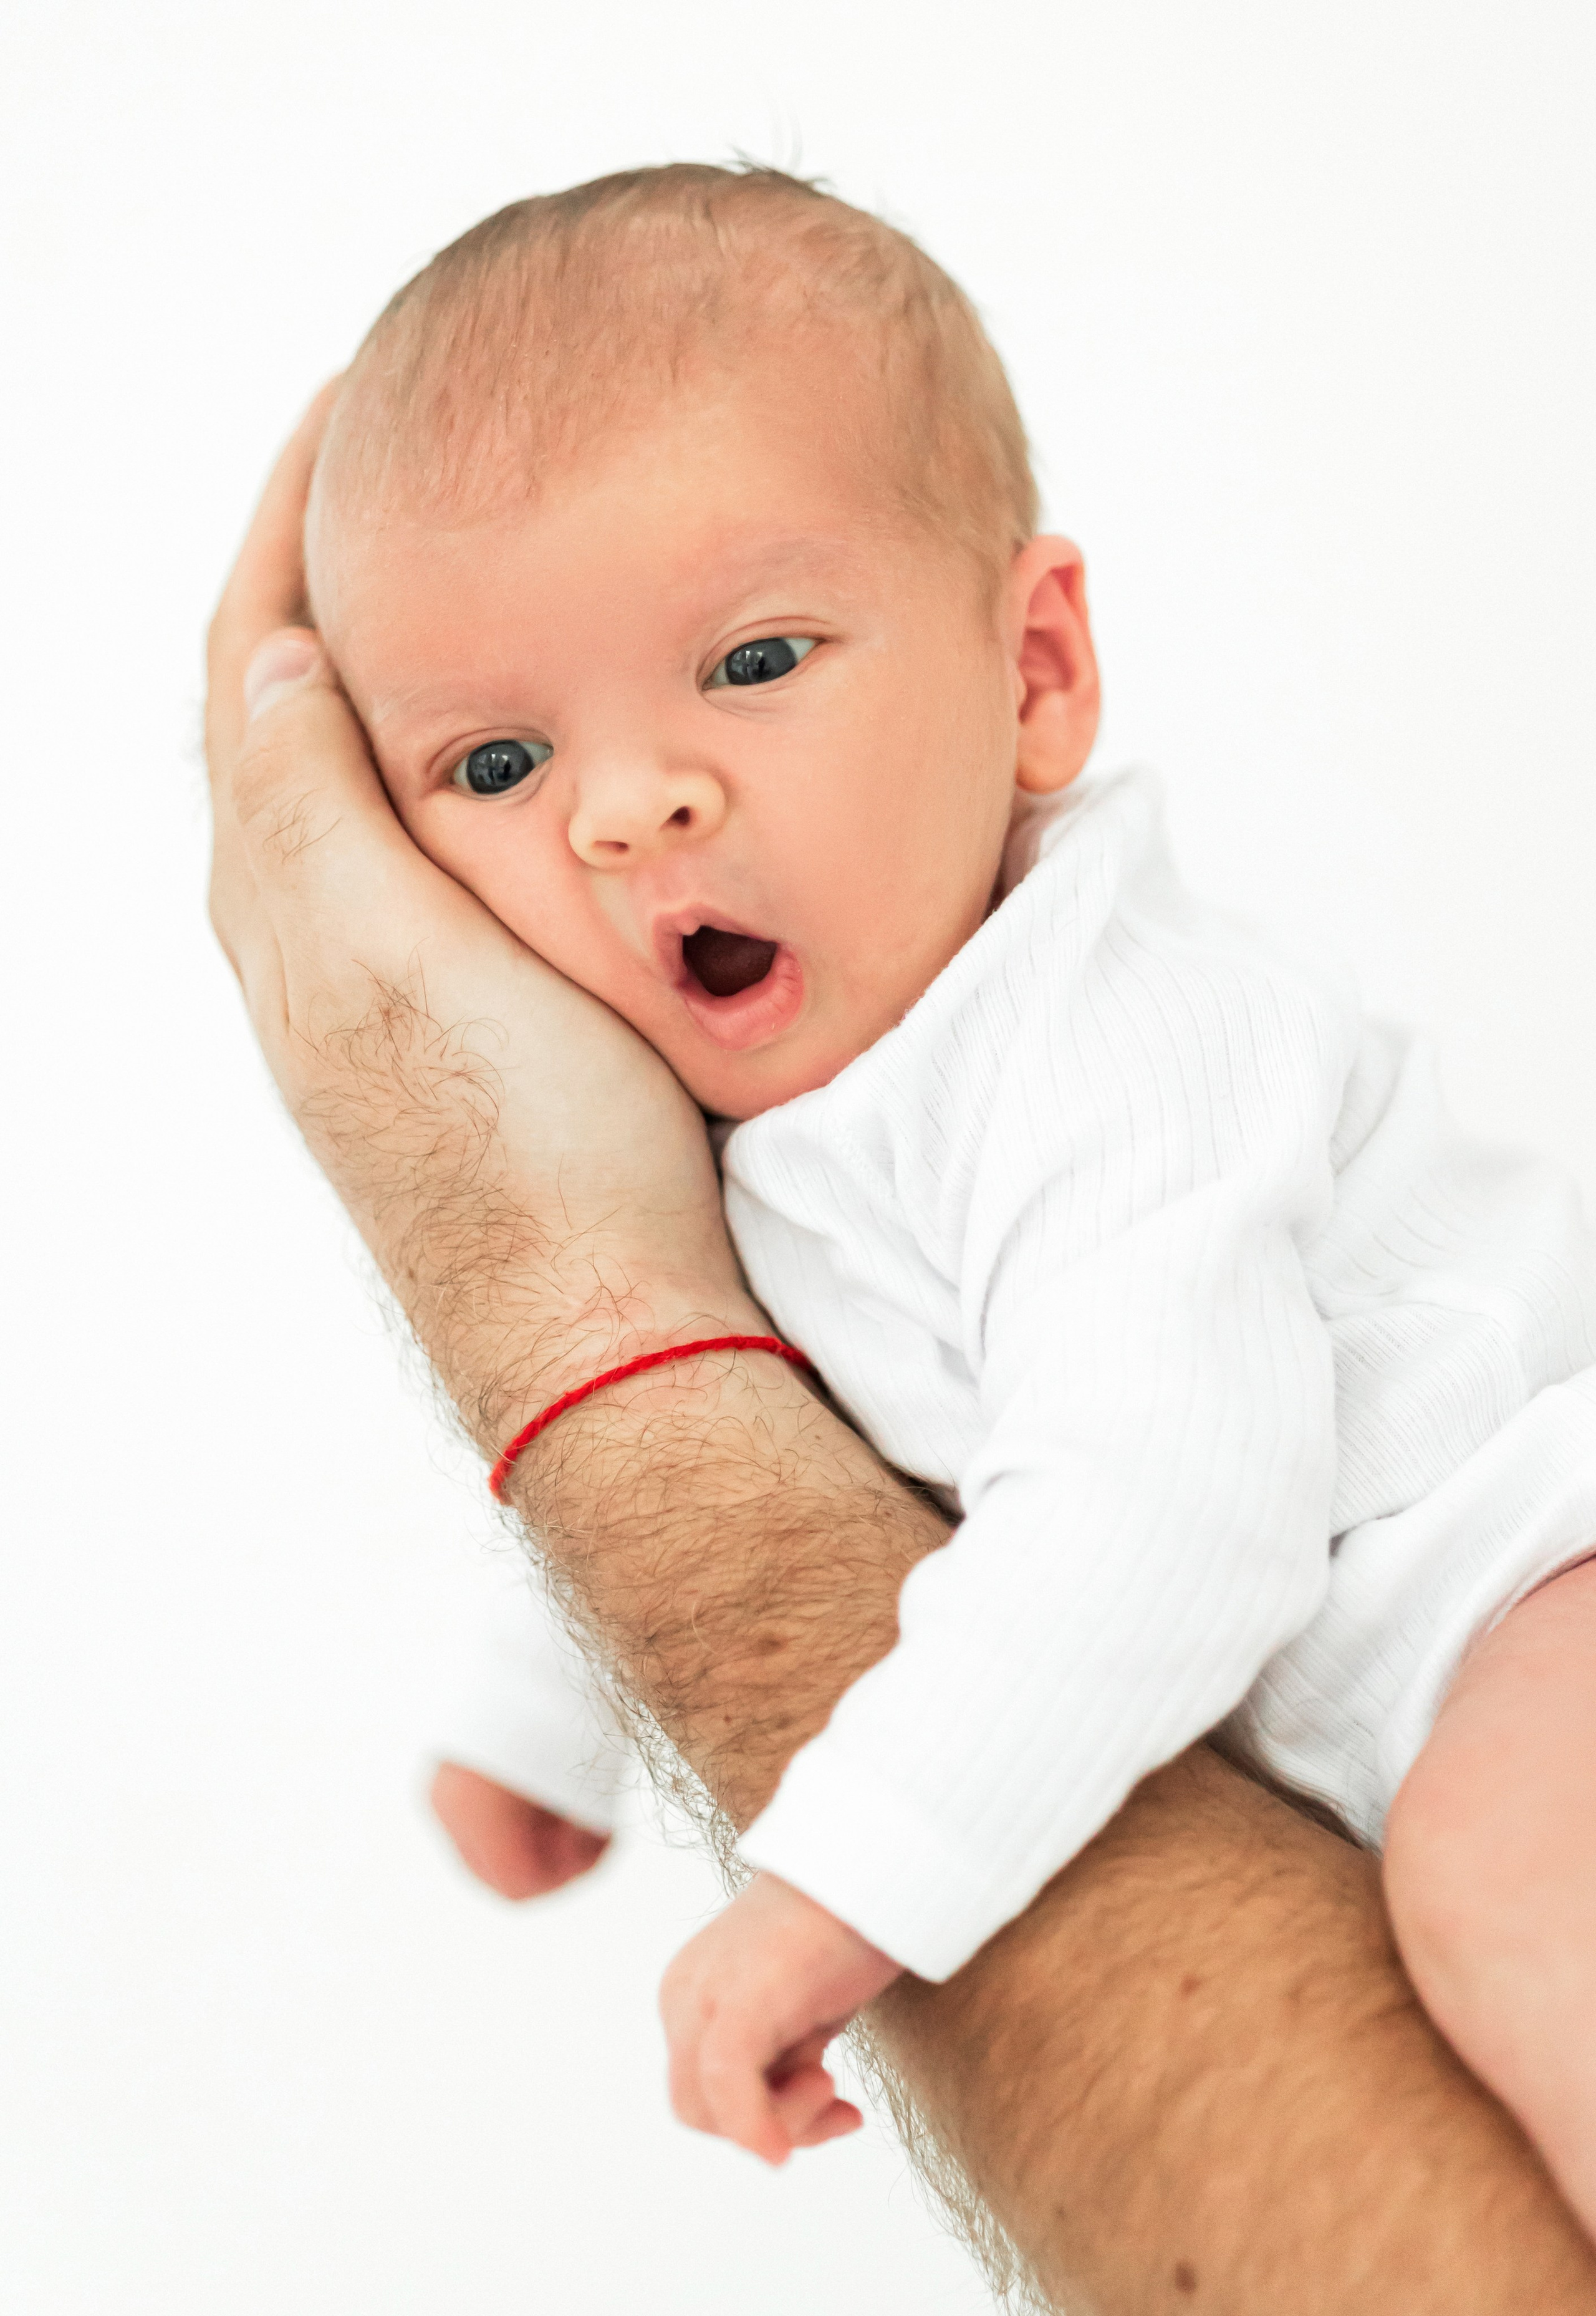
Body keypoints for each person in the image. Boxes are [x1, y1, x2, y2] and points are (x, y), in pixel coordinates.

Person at [209, 376, 1596, 2315]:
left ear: (1031, 673)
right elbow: (742, 1387)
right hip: (1400, 1699)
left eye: (754, 658)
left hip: (1543, 1582)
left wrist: (852, 1876)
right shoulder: (762, 1135)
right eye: (501, 764)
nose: (631, 804)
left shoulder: (1105, 1031)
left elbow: (1172, 1502)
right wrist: (544, 1709)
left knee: (1511, 1897)